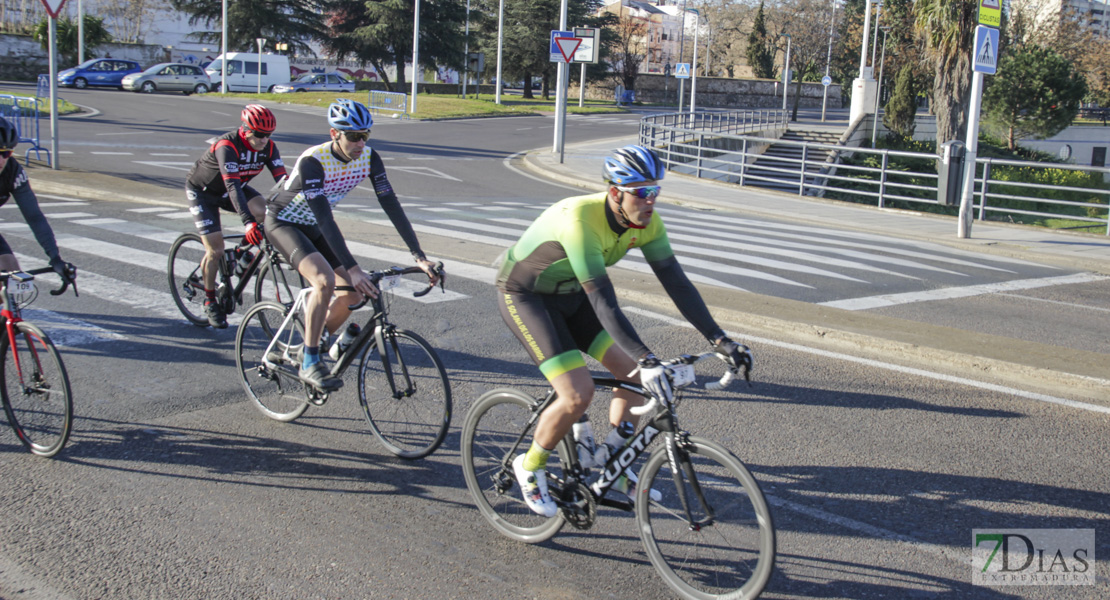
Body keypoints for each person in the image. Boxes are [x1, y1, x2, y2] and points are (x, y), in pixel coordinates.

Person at [495, 145, 753, 517]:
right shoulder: (580, 221)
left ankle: (615, 466)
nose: (651, 201)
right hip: (527, 297)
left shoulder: (648, 225)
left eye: (656, 191)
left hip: (572, 295)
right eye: (642, 193)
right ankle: (530, 465)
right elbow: (604, 301)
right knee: (576, 395)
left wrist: (721, 339)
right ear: (615, 193)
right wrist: (648, 358)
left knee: (633, 376)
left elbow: (677, 284)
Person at [265, 98, 439, 390]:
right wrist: (353, 268)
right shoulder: (313, 162)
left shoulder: (369, 158)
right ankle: (310, 361)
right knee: (324, 281)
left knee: (355, 295)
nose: (361, 143)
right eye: (354, 136)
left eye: (365, 135)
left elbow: (390, 204)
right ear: (335, 134)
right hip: (285, 222)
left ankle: (313, 341)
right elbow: (324, 218)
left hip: (315, 224)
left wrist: (419, 256)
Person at [185, 104, 286, 329]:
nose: (263, 140)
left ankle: (239, 254)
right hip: (205, 193)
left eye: (268, 135)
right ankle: (210, 299)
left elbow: (284, 182)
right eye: (259, 134)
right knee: (216, 250)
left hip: (234, 188)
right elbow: (232, 186)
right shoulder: (227, 146)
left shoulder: (269, 148)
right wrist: (248, 223)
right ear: (245, 129)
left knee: (267, 212)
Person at [0, 117, 72, 283]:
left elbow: (34, 217)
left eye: (6, 153)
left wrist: (55, 258)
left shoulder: (13, 172)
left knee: (10, 272)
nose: (2, 160)